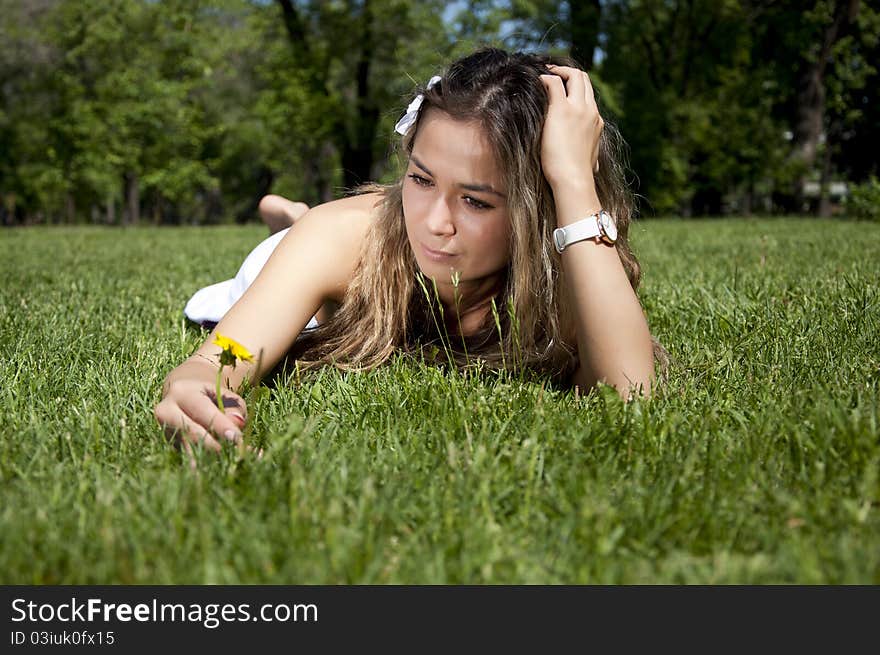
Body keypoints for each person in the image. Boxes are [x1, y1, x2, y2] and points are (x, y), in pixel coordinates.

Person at [154, 47, 662, 454]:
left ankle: (294, 213)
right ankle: (288, 219)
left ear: (540, 208)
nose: (435, 224)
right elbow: (234, 347)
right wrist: (203, 376)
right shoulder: (341, 240)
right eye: (420, 178)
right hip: (297, 262)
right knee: (291, 240)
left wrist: (573, 180)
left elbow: (632, 396)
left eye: (475, 201)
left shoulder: (567, 261)